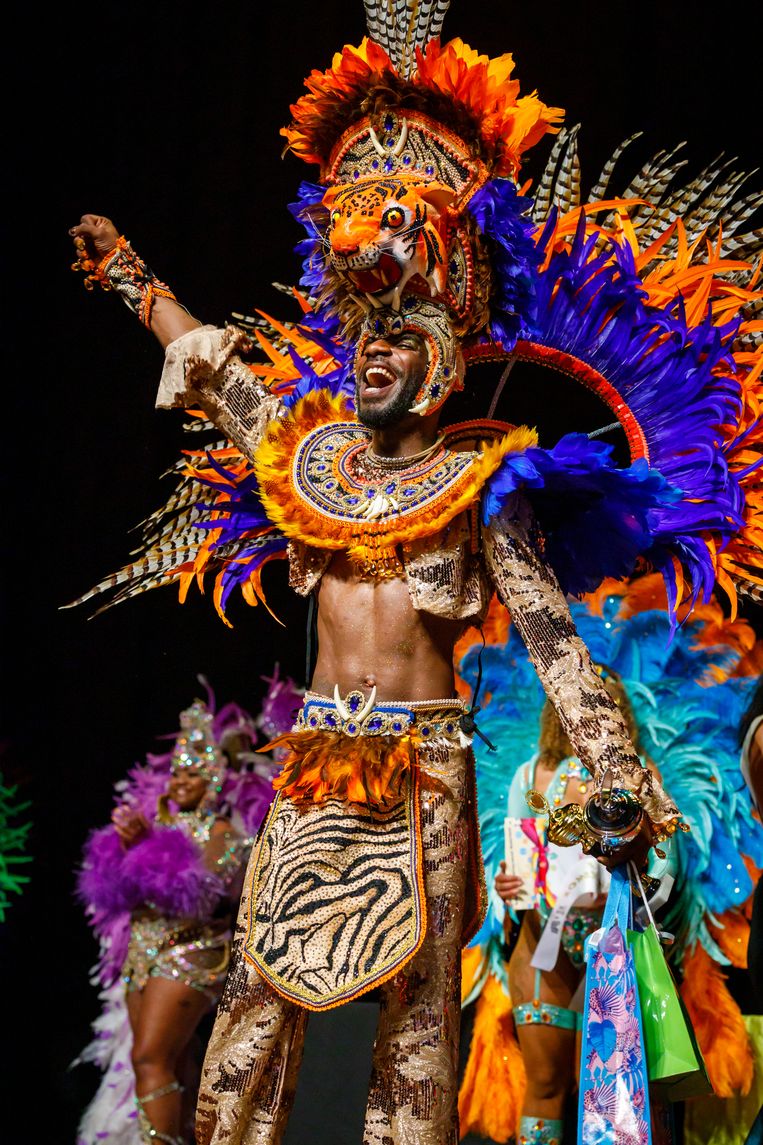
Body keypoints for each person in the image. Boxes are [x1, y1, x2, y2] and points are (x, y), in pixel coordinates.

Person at [67, 5, 760, 1142]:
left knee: (416, 1039)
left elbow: (553, 642)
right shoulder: (311, 461)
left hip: (428, 775)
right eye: (364, 337)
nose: (376, 349)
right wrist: (136, 282)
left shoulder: (484, 484)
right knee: (252, 1011)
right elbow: (222, 380)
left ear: (440, 357)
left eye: (401, 337)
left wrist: (621, 771)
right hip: (313, 773)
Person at [76, 693, 275, 1145]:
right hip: (141, 959)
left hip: (189, 956)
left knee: (150, 1058)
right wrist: (123, 851)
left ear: (215, 779)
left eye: (192, 773)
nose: (180, 781)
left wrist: (146, 848)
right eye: (177, 772)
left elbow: (200, 896)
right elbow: (114, 895)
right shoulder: (158, 826)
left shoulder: (225, 833)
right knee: (174, 1062)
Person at [495, 672, 655, 1145]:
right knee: (543, 1084)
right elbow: (517, 863)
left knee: (607, 1097)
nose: (586, 712)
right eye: (575, 702)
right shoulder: (531, 775)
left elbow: (667, 874)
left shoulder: (641, 777)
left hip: (617, 948)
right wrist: (507, 886)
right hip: (543, 948)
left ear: (616, 712)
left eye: (598, 703)